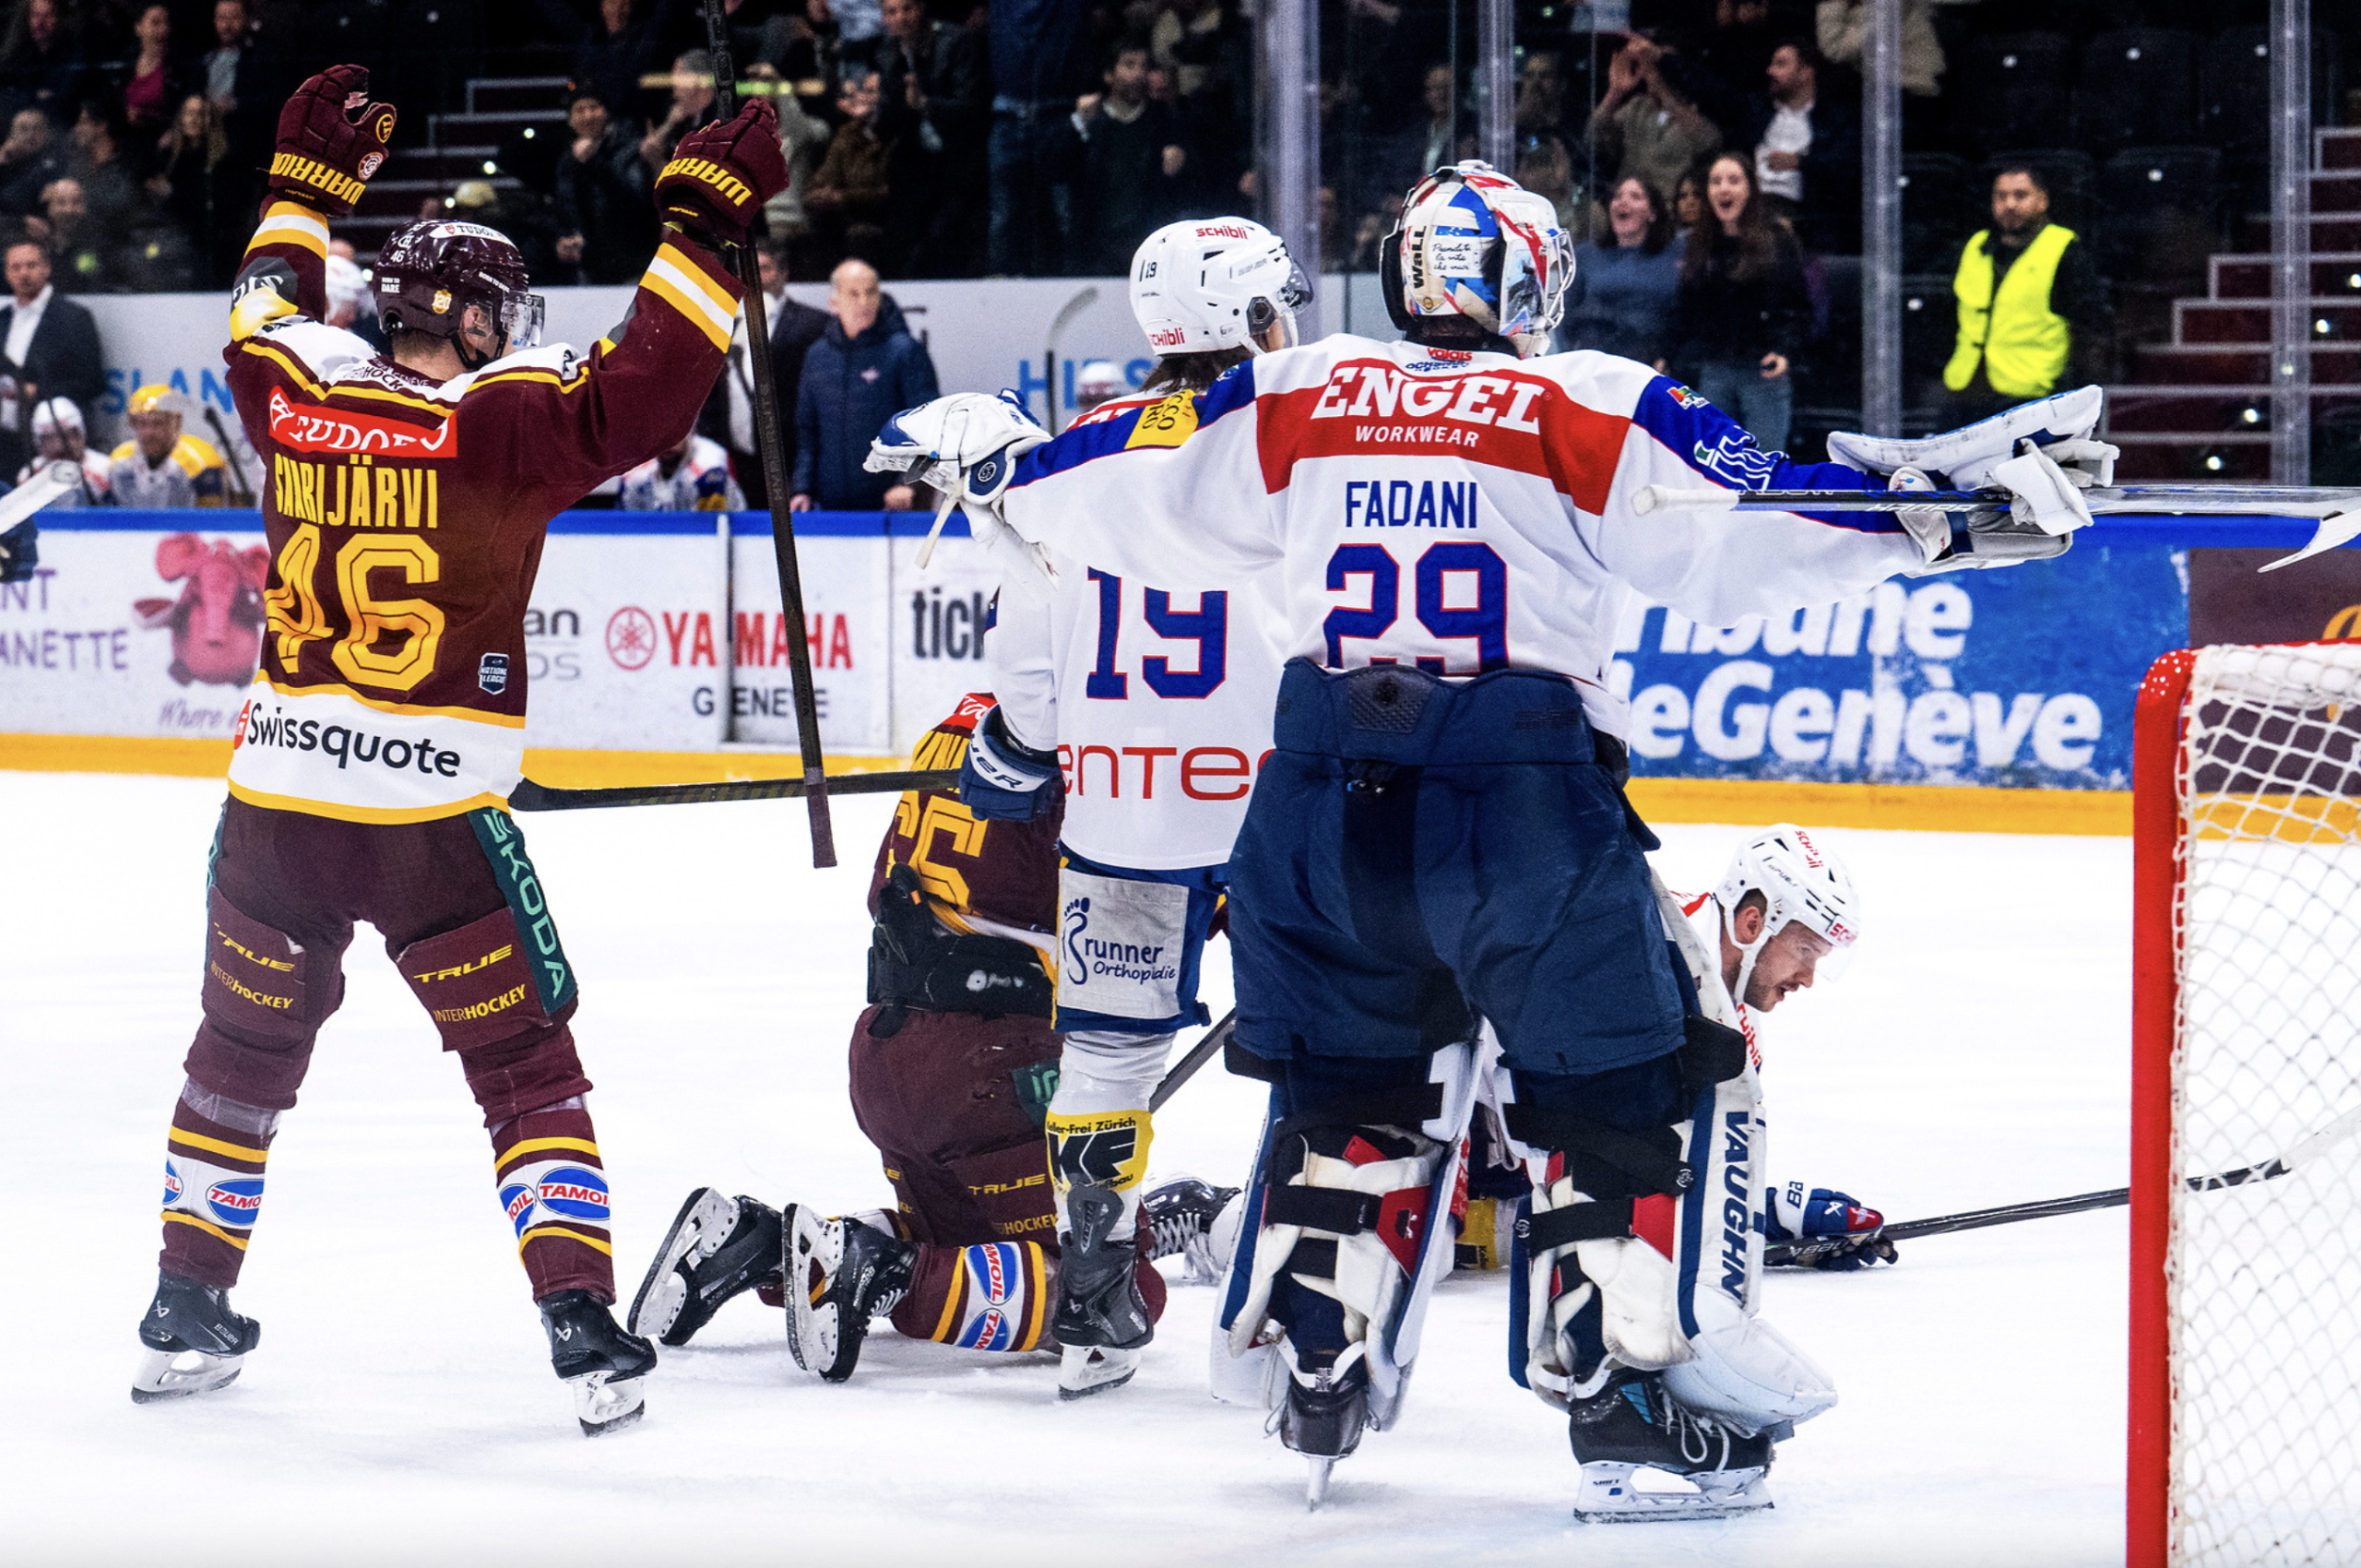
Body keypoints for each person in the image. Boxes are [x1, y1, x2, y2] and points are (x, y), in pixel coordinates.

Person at [869, 158, 2117, 1510]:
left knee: (1353, 1093)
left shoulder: (1304, 390)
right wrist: (1938, 512)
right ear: (1526, 277)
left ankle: (1318, 1343)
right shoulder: (1583, 402)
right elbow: (1755, 526)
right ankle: (1617, 1386)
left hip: (1311, 814)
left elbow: (1129, 474)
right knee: (1622, 1087)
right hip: (1517, 811)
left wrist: (1001, 467)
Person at [125, 64, 788, 1437]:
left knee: (237, 1057)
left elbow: (260, 303)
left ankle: (186, 1302)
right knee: (526, 1073)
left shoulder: (289, 383)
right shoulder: (503, 418)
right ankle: (582, 1322)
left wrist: (307, 191)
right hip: (434, 825)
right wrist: (704, 232)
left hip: (277, 810)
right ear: (482, 318)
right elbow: (655, 392)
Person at [950, 216, 1306, 1398]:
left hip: (1120, 815)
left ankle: (1094, 1306)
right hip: (1271, 810)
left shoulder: (1071, 454)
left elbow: (1030, 657)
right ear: (1254, 322)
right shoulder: (1286, 436)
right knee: (1323, 1051)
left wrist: (1028, 744)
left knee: (1104, 1055)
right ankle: (1297, 1291)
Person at [625, 696, 1233, 1381]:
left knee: (968, 1246)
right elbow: (1152, 899)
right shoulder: (1102, 741)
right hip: (996, 1067)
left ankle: (751, 1245)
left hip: (890, 1051)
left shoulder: (975, 716)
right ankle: (881, 1269)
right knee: (1115, 1296)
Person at [1944, 163, 2109, 422]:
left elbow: (2089, 327)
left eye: (2021, 195)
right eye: (2001, 196)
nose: (2009, 204)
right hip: (1968, 387)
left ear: (2042, 200)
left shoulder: (2065, 251)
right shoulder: (1976, 247)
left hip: (2034, 393)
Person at [1672, 151, 1809, 453]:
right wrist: (1670, 355)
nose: (1724, 188)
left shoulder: (1777, 240)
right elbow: (1686, 311)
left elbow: (1797, 306)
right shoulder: (1699, 244)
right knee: (1712, 461)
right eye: (1716, 181)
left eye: (1734, 180)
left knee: (1766, 463)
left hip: (1762, 367)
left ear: (1750, 189)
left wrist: (1786, 351)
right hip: (1714, 367)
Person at [790, 256, 936, 512]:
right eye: (854, 294)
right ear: (834, 303)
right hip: (830, 508)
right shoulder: (817, 355)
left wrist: (908, 483)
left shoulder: (905, 351)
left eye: (870, 293)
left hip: (894, 507)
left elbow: (931, 427)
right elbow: (807, 431)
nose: (864, 302)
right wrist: (802, 488)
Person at [703, 242, 828, 510]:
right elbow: (712, 397)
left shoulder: (814, 325)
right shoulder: (721, 325)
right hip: (736, 462)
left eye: (763, 269)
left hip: (789, 464)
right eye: (745, 270)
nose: (753, 279)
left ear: (784, 273)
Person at [872, 0, 988, 276]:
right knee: (901, 239)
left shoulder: (956, 42)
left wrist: (926, 104)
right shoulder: (887, 53)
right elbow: (892, 117)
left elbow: (974, 107)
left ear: (922, 9)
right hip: (915, 161)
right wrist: (872, 116)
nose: (901, 18)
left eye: (907, 9)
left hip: (957, 158)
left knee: (944, 240)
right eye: (892, 12)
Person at [1060, 39, 1191, 279]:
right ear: (1109, 75)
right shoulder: (1093, 119)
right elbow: (1057, 169)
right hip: (1096, 248)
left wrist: (1182, 160)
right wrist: (1078, 123)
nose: (1138, 74)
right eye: (1129, 65)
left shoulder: (1165, 119)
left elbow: (1191, 184)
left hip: (1147, 246)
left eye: (1144, 66)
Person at [1743, 39, 1858, 255]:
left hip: (1806, 217)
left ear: (1805, 72)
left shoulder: (1833, 118)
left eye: (1781, 64)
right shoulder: (1758, 110)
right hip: (1756, 207)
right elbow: (1715, 94)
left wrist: (1801, 163)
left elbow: (1849, 165)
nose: (1770, 70)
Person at [0, 234, 101, 476]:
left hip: (53, 444)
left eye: (31, 265)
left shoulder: (74, 318)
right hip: (5, 444)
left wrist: (36, 392)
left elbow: (92, 383)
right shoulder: (3, 319)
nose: (24, 273)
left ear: (46, 268)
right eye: (16, 267)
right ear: (6, 273)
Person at [1584, 33, 1720, 208]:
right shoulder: (1637, 107)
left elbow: (1709, 142)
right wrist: (1615, 93)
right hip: (1627, 204)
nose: (1652, 71)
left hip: (1670, 209)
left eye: (1659, 65)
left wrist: (1662, 89)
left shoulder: (1695, 111)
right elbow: (1592, 139)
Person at [1560, 175, 1682, 364]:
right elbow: (1564, 310)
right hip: (1595, 359)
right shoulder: (1586, 254)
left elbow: (1682, 312)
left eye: (1636, 196)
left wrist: (1667, 356)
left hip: (1652, 361)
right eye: (1618, 196)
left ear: (1653, 213)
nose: (1623, 202)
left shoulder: (1675, 253)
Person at [551, 87, 657, 287]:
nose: (588, 116)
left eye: (594, 107)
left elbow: (634, 202)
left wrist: (594, 164)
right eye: (580, 110)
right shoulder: (568, 159)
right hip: (592, 264)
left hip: (634, 261)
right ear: (571, 120)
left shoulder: (630, 149)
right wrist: (565, 235)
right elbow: (564, 205)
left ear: (606, 112)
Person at [108, 384, 227, 507]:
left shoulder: (200, 461)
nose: (149, 433)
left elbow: (212, 520)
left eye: (158, 423)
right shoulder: (119, 461)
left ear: (177, 423)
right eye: (142, 424)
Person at [599, 426, 743, 510]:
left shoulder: (709, 470)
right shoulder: (634, 476)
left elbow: (711, 531)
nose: (668, 445)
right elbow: (625, 530)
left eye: (675, 436)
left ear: (690, 432)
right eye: (660, 438)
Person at [20, 391, 106, 503]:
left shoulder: (105, 471)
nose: (59, 447)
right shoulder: (29, 475)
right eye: (48, 439)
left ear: (81, 435)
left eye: (66, 437)